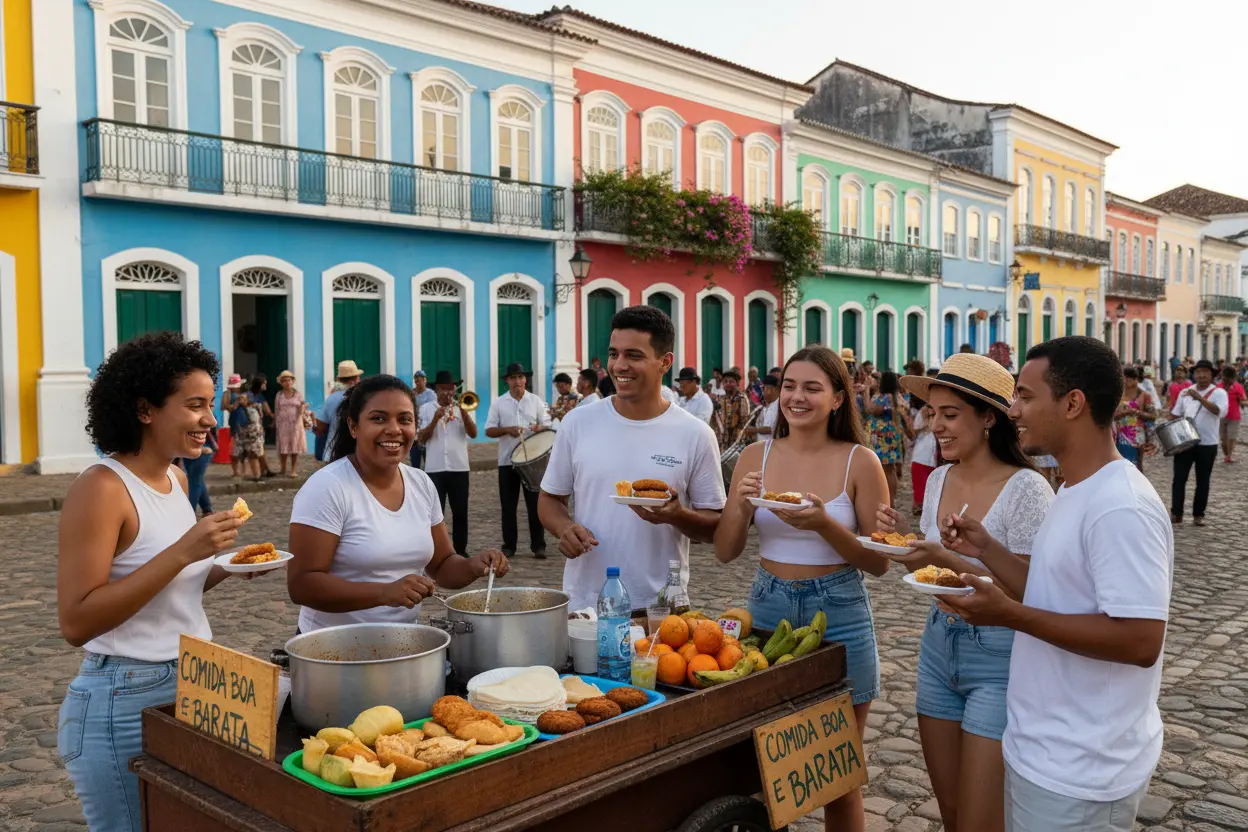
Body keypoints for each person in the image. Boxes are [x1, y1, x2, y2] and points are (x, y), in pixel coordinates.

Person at [938, 336, 1172, 832]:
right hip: (1044, 749)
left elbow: (1140, 640)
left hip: (1084, 770)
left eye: (1024, 395)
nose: (1013, 409)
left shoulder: (1120, 504)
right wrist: (986, 550)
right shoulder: (1073, 487)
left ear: (1072, 404)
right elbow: (1050, 591)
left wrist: (1006, 614)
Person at [57, 333, 248, 832]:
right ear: (145, 410)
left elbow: (169, 584)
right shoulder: (101, 487)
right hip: (123, 695)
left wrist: (230, 564)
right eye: (195, 406)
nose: (211, 419)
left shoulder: (177, 480)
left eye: (212, 405)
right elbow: (77, 620)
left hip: (192, 679)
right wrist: (185, 550)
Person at [714, 345, 889, 832]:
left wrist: (824, 526)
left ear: (838, 398)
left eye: (812, 388)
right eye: (789, 386)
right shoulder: (755, 455)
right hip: (766, 606)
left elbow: (878, 562)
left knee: (838, 773)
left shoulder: (861, 461)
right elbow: (726, 551)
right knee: (763, 762)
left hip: (841, 609)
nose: (797, 397)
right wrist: (741, 508)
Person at [876, 354, 1054, 832]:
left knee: (981, 820)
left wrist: (947, 558)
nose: (936, 426)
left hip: (998, 659)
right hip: (938, 646)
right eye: (933, 414)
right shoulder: (938, 479)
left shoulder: (1028, 490)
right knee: (953, 814)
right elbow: (939, 562)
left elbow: (1032, 591)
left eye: (950, 414)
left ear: (989, 417)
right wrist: (906, 541)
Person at [539, 306, 725, 612]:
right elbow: (549, 499)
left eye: (633, 356)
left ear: (665, 362)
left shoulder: (695, 434)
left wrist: (677, 515)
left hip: (661, 608)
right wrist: (564, 529)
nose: (619, 366)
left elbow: (716, 525)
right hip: (586, 604)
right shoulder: (578, 422)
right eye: (614, 354)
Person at [288, 375, 506, 633]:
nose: (394, 430)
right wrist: (384, 592)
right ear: (353, 426)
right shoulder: (327, 487)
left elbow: (442, 564)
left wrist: (474, 565)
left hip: (401, 645)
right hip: (331, 649)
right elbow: (302, 585)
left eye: (404, 420)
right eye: (378, 418)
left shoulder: (421, 483)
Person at [484, 362, 551, 559]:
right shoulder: (499, 403)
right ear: (507, 381)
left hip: (532, 461)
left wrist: (540, 428)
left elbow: (548, 424)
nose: (517, 382)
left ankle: (538, 545)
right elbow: (489, 430)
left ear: (525, 380)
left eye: (520, 377)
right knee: (508, 506)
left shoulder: (536, 401)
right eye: (513, 378)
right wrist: (507, 429)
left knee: (535, 505)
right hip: (507, 462)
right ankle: (509, 545)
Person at [418, 370, 476, 556]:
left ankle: (460, 549)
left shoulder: (463, 406)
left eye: (450, 389)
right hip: (434, 468)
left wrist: (464, 415)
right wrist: (435, 419)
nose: (447, 392)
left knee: (461, 512)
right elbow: (421, 438)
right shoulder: (426, 409)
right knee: (435, 513)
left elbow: (473, 433)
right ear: (436, 389)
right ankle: (435, 551)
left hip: (459, 467)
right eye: (443, 389)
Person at [1170, 359, 1227, 526]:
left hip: (1207, 443)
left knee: (1203, 480)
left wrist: (1199, 398)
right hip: (1185, 442)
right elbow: (1176, 413)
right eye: (1198, 372)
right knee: (1179, 478)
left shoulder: (1219, 393)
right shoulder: (1185, 392)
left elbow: (1218, 411)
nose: (1201, 375)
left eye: (1205, 372)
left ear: (1212, 375)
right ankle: (1176, 513)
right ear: (1194, 374)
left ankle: (1198, 514)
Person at [866, 371, 911, 506]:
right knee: (889, 469)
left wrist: (866, 391)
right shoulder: (897, 397)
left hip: (883, 437)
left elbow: (871, 409)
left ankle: (888, 500)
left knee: (885, 469)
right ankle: (889, 499)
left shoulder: (884, 398)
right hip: (891, 435)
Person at [316, 360, 364, 462]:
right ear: (354, 379)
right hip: (359, 453)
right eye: (358, 377)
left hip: (334, 452)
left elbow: (320, 426)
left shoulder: (331, 398)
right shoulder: (363, 397)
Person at [1112, 367, 1154, 471]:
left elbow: (1153, 415)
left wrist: (1137, 412)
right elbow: (1112, 416)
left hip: (1137, 435)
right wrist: (1124, 413)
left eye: (1129, 379)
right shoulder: (1118, 395)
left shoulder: (1145, 396)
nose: (1126, 382)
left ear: (1136, 380)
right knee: (1119, 464)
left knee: (1136, 465)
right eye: (1124, 379)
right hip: (1119, 434)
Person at [240, 375, 275, 481]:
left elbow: (266, 409)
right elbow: (242, 402)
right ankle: (258, 473)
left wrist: (272, 417)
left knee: (260, 449)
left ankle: (265, 470)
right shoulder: (249, 395)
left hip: (258, 426)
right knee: (255, 450)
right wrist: (252, 404)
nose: (265, 385)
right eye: (264, 383)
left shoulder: (260, 396)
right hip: (251, 427)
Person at [275, 370, 308, 478]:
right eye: (284, 381)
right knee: (283, 447)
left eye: (289, 380)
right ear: (281, 383)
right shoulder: (279, 395)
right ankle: (283, 468)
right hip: (283, 424)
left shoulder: (298, 394)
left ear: (292, 381)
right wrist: (276, 422)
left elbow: (302, 406)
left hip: (296, 423)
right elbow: (277, 409)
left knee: (295, 447)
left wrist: (301, 412)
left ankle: (293, 470)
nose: (287, 382)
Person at [909, 396, 937, 517]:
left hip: (936, 454)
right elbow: (914, 430)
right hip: (922, 452)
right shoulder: (923, 412)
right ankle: (920, 507)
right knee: (920, 484)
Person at [712, 367, 751, 451]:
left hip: (737, 444)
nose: (728, 384)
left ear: (737, 384)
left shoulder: (741, 398)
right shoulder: (723, 398)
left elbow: (742, 423)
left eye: (731, 381)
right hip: (724, 443)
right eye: (725, 381)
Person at [183, 428, 217, 517]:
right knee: (197, 479)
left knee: (194, 481)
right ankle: (207, 508)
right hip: (186, 447)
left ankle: (189, 513)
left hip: (203, 447)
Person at [1217, 365, 1246, 463]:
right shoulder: (1218, 387)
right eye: (1225, 379)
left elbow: (1245, 401)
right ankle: (1226, 453)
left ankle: (1229, 455)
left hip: (1234, 417)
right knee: (1223, 440)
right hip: (1221, 416)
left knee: (1232, 437)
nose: (1227, 382)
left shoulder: (1238, 387)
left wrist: (1241, 401)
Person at [222, 374, 249, 478]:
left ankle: (244, 471)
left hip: (244, 423)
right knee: (234, 449)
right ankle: (235, 471)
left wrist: (243, 402)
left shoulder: (243, 394)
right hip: (234, 423)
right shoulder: (227, 394)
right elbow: (226, 407)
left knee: (245, 449)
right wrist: (236, 403)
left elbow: (247, 406)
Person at [410, 370, 437, 469]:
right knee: (414, 460)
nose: (418, 382)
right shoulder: (411, 394)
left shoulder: (431, 394)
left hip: (426, 429)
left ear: (425, 380)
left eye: (420, 380)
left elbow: (433, 410)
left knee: (428, 461)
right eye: (416, 380)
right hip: (414, 431)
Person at [744, 374, 780, 441]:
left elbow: (771, 429)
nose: (762, 392)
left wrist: (755, 430)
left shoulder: (778, 406)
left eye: (763, 388)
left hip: (773, 448)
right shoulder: (767, 405)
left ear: (770, 390)